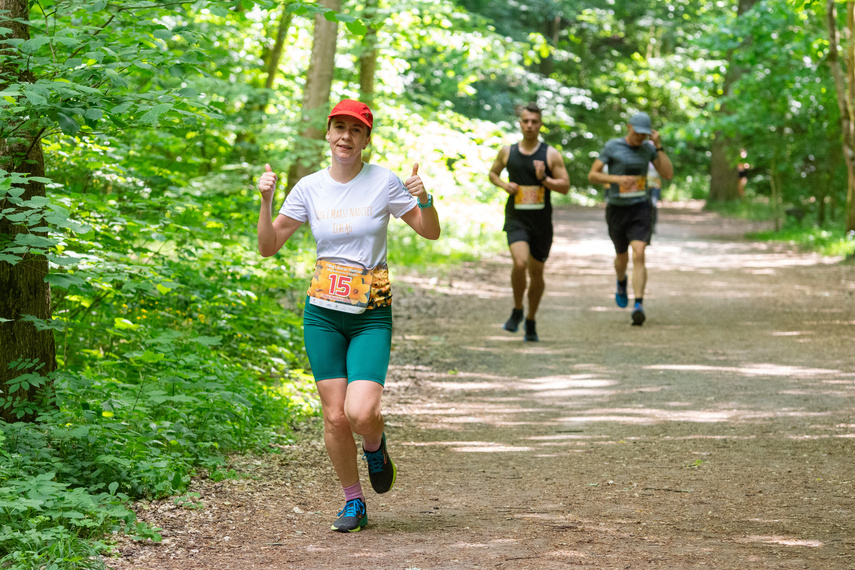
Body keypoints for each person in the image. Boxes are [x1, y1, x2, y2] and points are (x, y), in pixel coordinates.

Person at [257, 99, 441, 533]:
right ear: (327, 133)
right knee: (334, 415)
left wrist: (426, 199)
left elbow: (429, 231)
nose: (345, 137)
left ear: (366, 139)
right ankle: (353, 501)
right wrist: (265, 201)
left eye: (355, 130)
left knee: (360, 413)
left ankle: (374, 446)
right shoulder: (308, 187)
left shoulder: (384, 182)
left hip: (370, 312)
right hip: (322, 314)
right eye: (338, 127)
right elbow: (269, 246)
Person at [488, 103, 570, 341]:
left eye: (534, 122)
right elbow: (493, 173)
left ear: (540, 124)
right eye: (526, 121)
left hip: (541, 222)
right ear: (520, 123)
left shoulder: (550, 154)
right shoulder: (507, 151)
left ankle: (531, 319)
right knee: (520, 263)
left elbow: (565, 186)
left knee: (536, 272)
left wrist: (544, 178)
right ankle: (517, 309)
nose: (530, 125)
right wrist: (505, 185)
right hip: (516, 218)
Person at [587, 112, 673, 326]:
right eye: (637, 134)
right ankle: (621, 281)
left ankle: (639, 304)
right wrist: (616, 179)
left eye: (645, 135)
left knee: (639, 254)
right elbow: (593, 175)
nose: (640, 138)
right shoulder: (612, 147)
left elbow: (668, 174)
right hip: (617, 208)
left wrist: (658, 146)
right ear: (629, 127)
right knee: (621, 257)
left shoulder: (648, 149)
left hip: (640, 208)